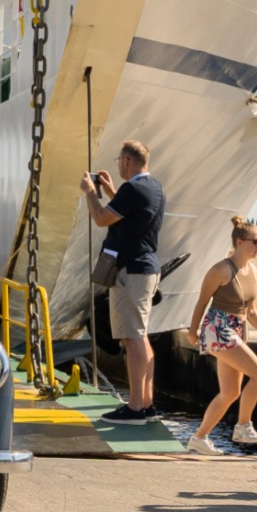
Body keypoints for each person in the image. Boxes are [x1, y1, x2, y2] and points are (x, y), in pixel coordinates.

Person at [81, 140, 166, 424]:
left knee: (132, 337)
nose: (118, 165)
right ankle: (147, 403)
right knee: (140, 335)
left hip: (132, 270)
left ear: (127, 161)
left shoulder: (133, 189)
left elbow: (103, 218)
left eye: (120, 160)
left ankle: (134, 408)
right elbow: (129, 217)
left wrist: (91, 194)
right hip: (145, 268)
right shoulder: (153, 187)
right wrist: (110, 192)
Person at [184, 217, 257, 455]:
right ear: (239, 242)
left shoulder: (254, 271)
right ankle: (243, 426)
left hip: (237, 329)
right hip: (217, 328)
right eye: (255, 241)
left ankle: (199, 438)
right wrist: (193, 331)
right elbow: (202, 302)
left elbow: (251, 311)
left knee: (231, 393)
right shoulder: (220, 270)